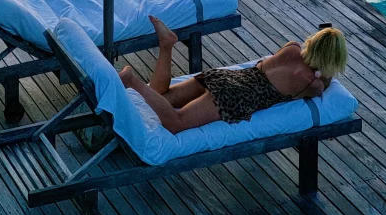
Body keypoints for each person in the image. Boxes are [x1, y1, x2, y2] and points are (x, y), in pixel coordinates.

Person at [118, 16, 348, 133]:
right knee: (176, 123)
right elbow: (326, 80)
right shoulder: (310, 83)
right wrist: (324, 72)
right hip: (236, 96)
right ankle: (132, 81)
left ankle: (166, 44)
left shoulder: (292, 47)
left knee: (160, 96)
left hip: (228, 76)